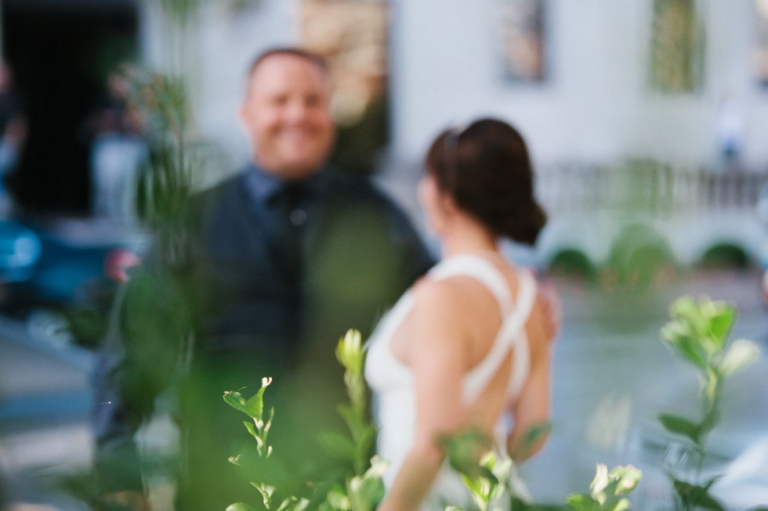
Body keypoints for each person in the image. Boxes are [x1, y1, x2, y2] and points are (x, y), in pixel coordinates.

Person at [91, 48, 433, 511]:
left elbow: (437, 313)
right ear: (247, 113)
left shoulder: (374, 216)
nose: (298, 114)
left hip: (344, 487)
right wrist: (121, 474)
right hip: (220, 488)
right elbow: (129, 355)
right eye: (280, 100)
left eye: (312, 101)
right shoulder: (193, 222)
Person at [365, 118, 558, 511]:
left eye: (426, 178)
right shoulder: (530, 296)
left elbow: (434, 441)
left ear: (447, 196)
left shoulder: (442, 296)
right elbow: (532, 435)